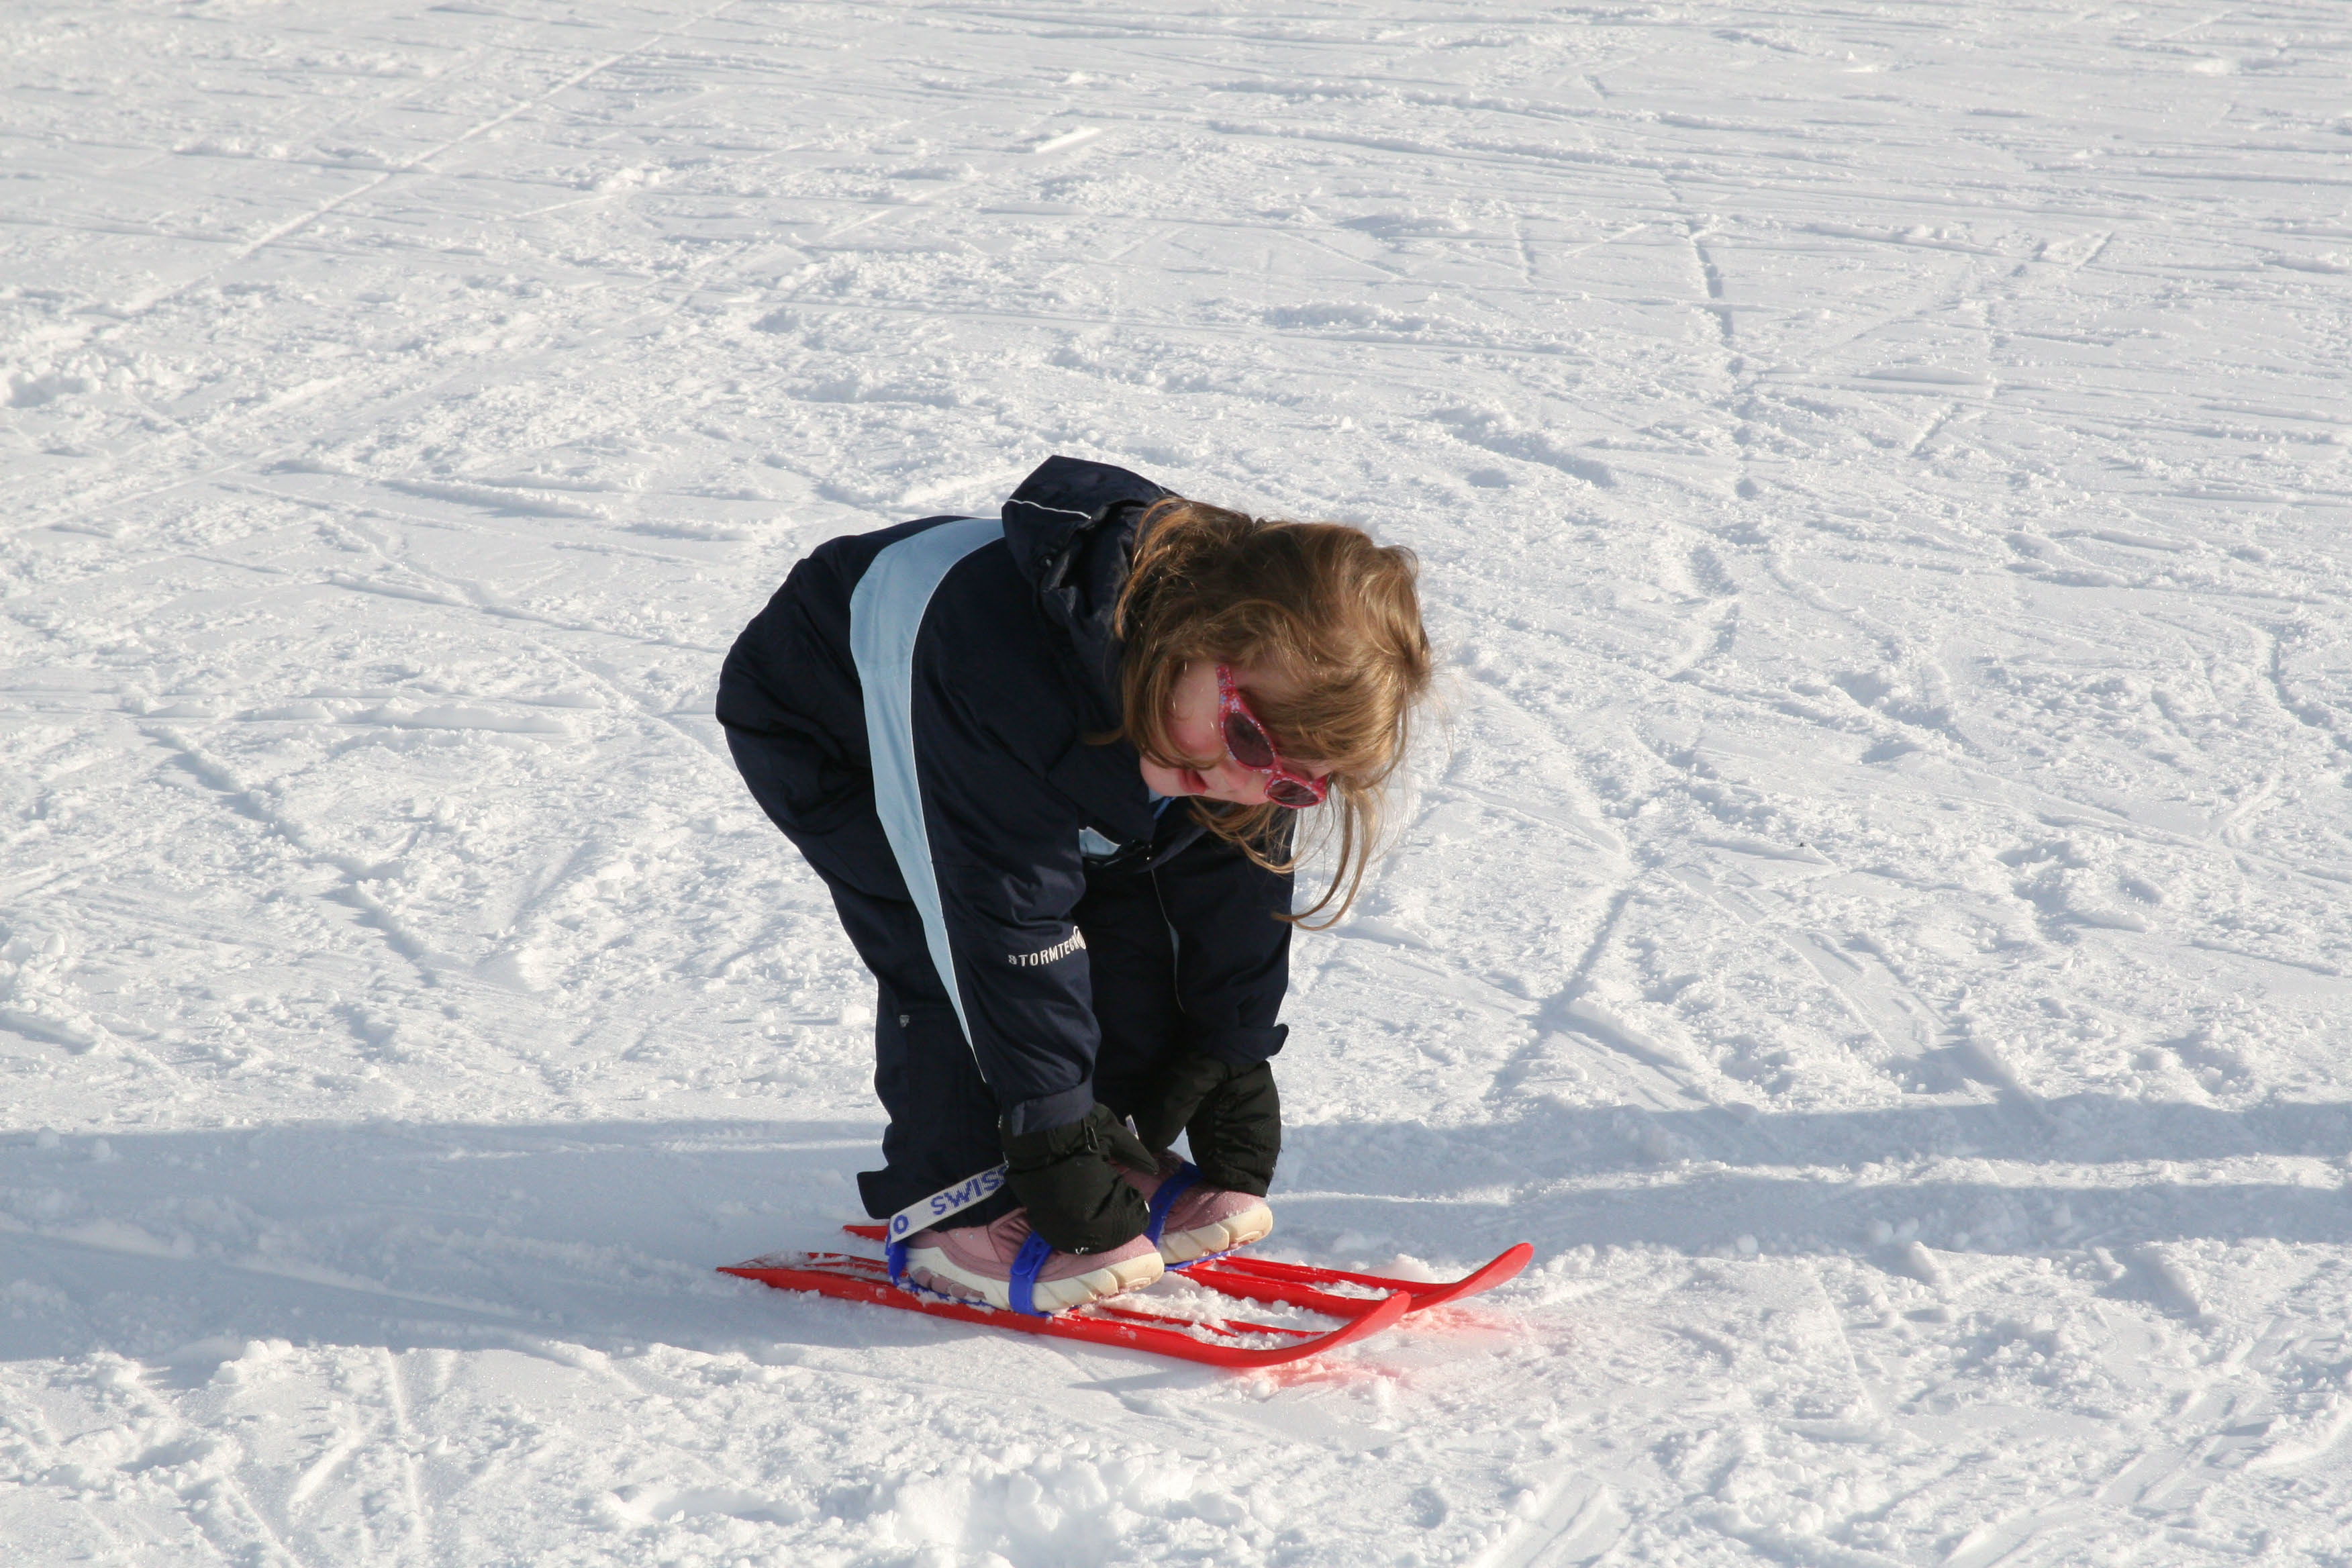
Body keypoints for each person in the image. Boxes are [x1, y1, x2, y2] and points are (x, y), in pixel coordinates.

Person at [716, 456, 1430, 1314]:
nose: (1248, 782)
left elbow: (1232, 888)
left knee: (1138, 911)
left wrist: (1229, 1043)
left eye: (1291, 784)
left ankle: (1100, 1144)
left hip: (1071, 714)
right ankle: (955, 1204)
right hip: (839, 722)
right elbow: (1002, 920)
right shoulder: (1001, 669)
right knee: (946, 940)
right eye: (1248, 743)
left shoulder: (1235, 715)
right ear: (1200, 633)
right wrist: (1045, 1126)